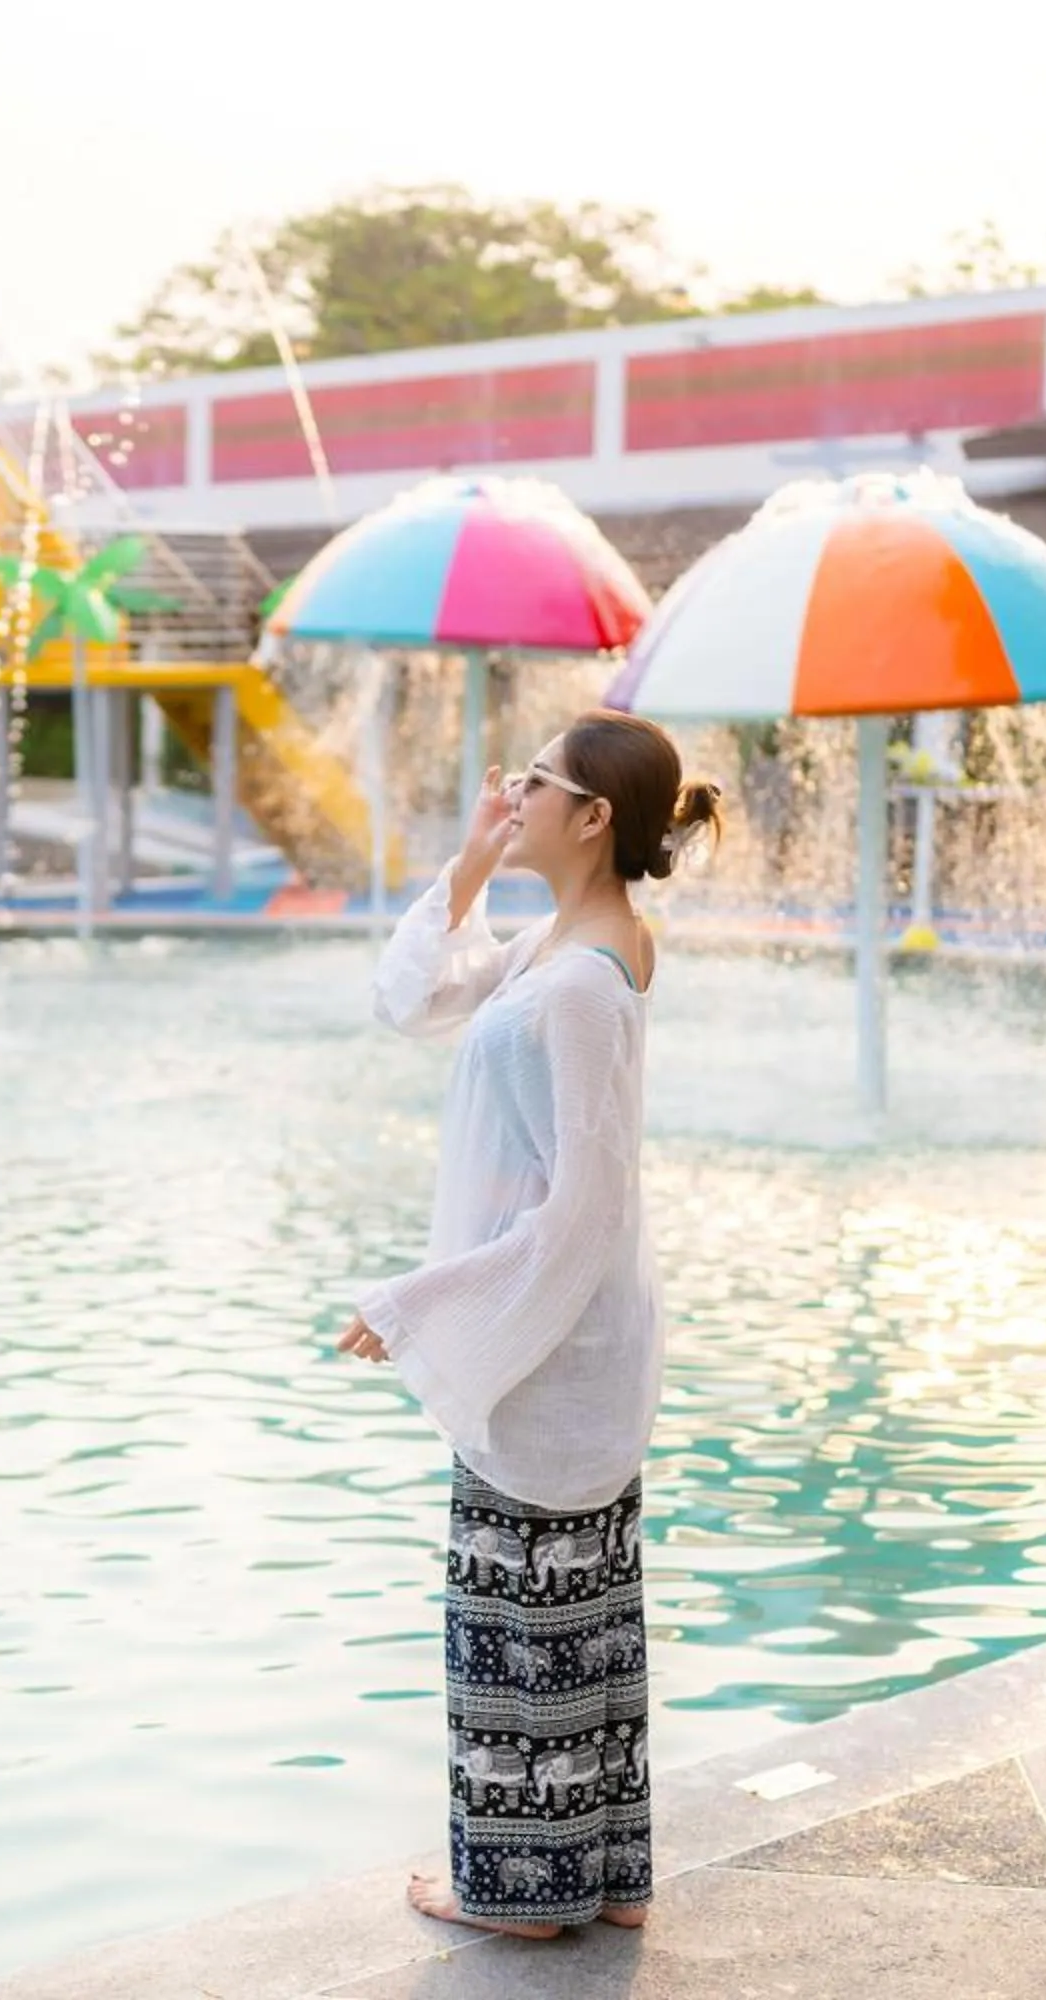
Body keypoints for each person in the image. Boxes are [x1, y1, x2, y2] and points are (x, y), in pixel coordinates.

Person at [334, 709, 721, 1939]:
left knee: (519, 1625)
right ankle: (597, 1874)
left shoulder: (582, 985)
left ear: (594, 817)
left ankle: (522, 1894)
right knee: (579, 1619)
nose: (517, 792)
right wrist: (471, 865)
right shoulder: (565, 945)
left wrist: (418, 1302)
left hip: (551, 1344)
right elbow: (409, 999)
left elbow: (582, 1210)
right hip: (562, 1338)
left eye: (538, 781)